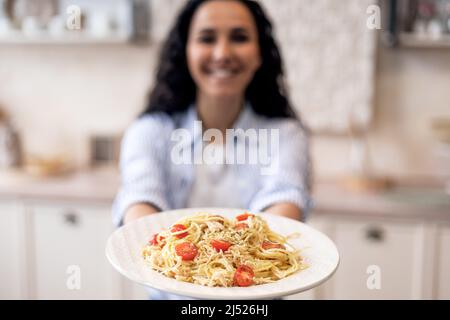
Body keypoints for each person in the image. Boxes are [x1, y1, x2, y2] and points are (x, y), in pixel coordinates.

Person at [112, 0, 312, 299]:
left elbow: (285, 196)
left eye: (240, 38)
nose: (222, 53)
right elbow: (140, 195)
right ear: (186, 52)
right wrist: (180, 259)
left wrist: (238, 263)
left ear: (259, 54)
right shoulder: (149, 131)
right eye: (207, 38)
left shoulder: (286, 134)